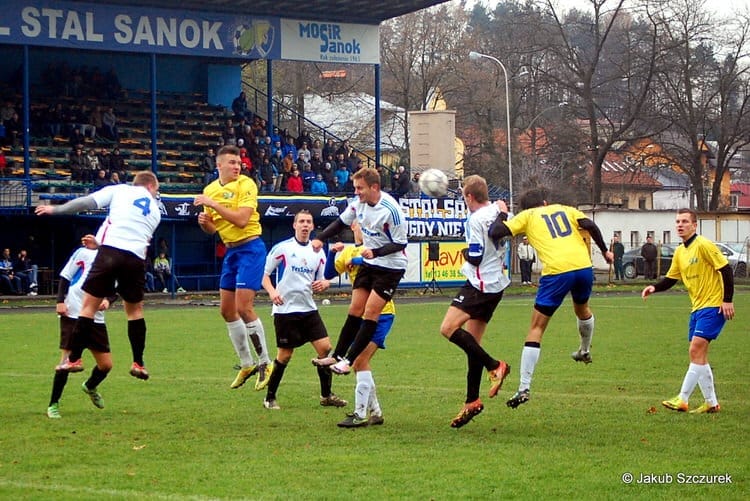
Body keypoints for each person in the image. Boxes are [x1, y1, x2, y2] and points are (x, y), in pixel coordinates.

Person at [488, 187, 614, 408]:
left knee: (536, 328)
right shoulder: (566, 209)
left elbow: (495, 232)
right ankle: (584, 350)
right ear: (545, 202)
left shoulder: (527, 216)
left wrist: (502, 212)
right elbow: (591, 225)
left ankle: (524, 387)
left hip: (557, 272)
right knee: (582, 309)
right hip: (584, 267)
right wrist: (604, 251)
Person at [35, 170, 162, 382]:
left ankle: (74, 359)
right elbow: (134, 238)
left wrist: (55, 209)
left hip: (110, 253)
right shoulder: (155, 212)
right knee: (135, 312)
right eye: (156, 190)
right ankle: (138, 363)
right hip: (136, 260)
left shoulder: (119, 190)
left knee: (88, 308)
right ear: (150, 186)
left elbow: (85, 203)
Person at [311, 167, 408, 376]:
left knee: (371, 311)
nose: (356, 192)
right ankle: (337, 356)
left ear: (374, 187)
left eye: (360, 188)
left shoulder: (391, 210)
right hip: (369, 263)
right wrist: (320, 237)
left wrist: (376, 251)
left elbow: (400, 243)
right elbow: (339, 223)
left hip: (390, 267)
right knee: (355, 309)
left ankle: (348, 361)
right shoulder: (358, 205)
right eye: (355, 188)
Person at [194, 145, 273, 391]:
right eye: (231, 163)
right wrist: (204, 223)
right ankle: (246, 363)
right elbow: (213, 230)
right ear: (219, 166)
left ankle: (265, 362)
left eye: (238, 163)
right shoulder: (210, 189)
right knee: (227, 311)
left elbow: (241, 219)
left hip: (251, 248)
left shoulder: (246, 184)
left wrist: (213, 205)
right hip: (231, 250)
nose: (237, 167)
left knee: (243, 307)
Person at [641, 208, 734, 414]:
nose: (680, 225)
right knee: (699, 356)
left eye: (684, 221)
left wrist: (727, 300)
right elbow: (671, 278)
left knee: (695, 350)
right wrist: (654, 287)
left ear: (694, 225)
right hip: (697, 308)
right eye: (677, 221)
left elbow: (725, 269)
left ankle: (682, 399)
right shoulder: (680, 252)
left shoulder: (704, 245)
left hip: (713, 305)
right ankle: (711, 403)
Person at [439, 175, 511, 428]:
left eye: (463, 196)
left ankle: (495, 366)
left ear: (469, 197)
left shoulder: (475, 219)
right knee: (473, 344)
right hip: (496, 284)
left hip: (478, 285)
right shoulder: (500, 212)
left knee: (447, 329)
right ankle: (472, 400)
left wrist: (464, 253)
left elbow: (477, 257)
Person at [260, 210, 347, 411]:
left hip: (308, 308)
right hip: (285, 310)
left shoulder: (319, 251)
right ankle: (269, 398)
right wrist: (272, 292)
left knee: (325, 349)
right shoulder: (283, 248)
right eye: (302, 221)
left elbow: (322, 278)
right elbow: (264, 275)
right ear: (294, 225)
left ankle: (326, 396)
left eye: (308, 221)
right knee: (284, 355)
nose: (305, 225)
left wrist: (324, 284)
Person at [323, 220, 391, 427]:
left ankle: (360, 414)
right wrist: (332, 253)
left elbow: (379, 262)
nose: (366, 227)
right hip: (360, 317)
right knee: (360, 363)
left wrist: (357, 259)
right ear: (353, 227)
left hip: (382, 314)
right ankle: (375, 412)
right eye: (361, 223)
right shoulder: (347, 251)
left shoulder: (376, 249)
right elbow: (328, 274)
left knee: (359, 361)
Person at [47, 236, 116, 418]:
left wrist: (108, 301)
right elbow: (65, 276)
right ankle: (53, 404)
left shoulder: (116, 263)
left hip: (96, 318)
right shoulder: (84, 253)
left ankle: (90, 386)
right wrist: (60, 301)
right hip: (74, 313)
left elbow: (114, 290)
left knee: (106, 365)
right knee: (66, 362)